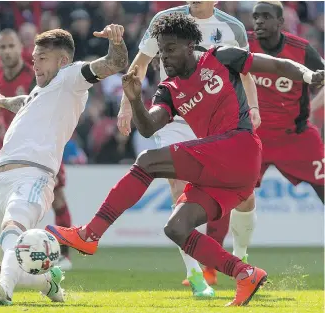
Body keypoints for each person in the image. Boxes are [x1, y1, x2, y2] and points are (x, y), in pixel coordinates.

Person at [45, 13, 324, 306]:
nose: (163, 57)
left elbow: (275, 64)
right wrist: (136, 99)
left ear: (190, 45)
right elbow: (149, 126)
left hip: (240, 147)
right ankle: (244, 273)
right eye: (161, 51)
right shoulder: (169, 90)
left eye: (170, 48)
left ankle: (90, 234)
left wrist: (307, 75)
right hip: (226, 175)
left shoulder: (221, 56)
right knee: (176, 228)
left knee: (147, 161)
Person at [0, 25, 128, 306]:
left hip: (34, 174)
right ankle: (46, 281)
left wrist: (116, 41)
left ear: (63, 61)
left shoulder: (71, 78)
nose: (34, 64)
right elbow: (24, 101)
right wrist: (1, 100)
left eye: (42, 58)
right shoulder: (39, 92)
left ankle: (5, 290)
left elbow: (114, 63)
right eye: (33, 58)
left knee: (13, 227)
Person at [117, 1, 260, 291]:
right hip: (174, 115)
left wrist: (254, 107)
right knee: (179, 188)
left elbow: (245, 72)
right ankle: (195, 275)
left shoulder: (231, 27)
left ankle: (241, 255)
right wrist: (126, 106)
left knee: (244, 198)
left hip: (218, 118)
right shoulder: (165, 19)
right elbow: (142, 63)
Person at [0, 29, 74, 270]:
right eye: (2, 47)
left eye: (11, 46)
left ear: (20, 48)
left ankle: (64, 255)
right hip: (12, 150)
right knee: (5, 204)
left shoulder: (34, 74)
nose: (7, 51)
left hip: (40, 148)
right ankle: (7, 256)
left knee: (57, 199)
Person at [232, 0, 325, 251]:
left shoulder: (302, 50)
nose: (259, 21)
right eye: (255, 16)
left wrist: (313, 106)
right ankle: (228, 260)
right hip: (252, 137)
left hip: (295, 136)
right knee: (233, 194)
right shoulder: (242, 44)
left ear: (281, 22)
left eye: (265, 16)